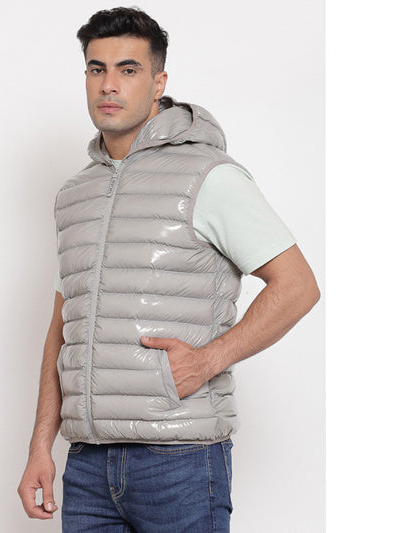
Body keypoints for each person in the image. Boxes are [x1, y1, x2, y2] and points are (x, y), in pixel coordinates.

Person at [18, 7, 320, 532]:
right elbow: (63, 326)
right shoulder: (73, 196)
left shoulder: (208, 176)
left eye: (128, 69)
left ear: (158, 83)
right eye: (96, 69)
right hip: (86, 466)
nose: (109, 85)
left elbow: (298, 286)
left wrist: (207, 361)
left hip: (180, 461)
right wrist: (40, 444)